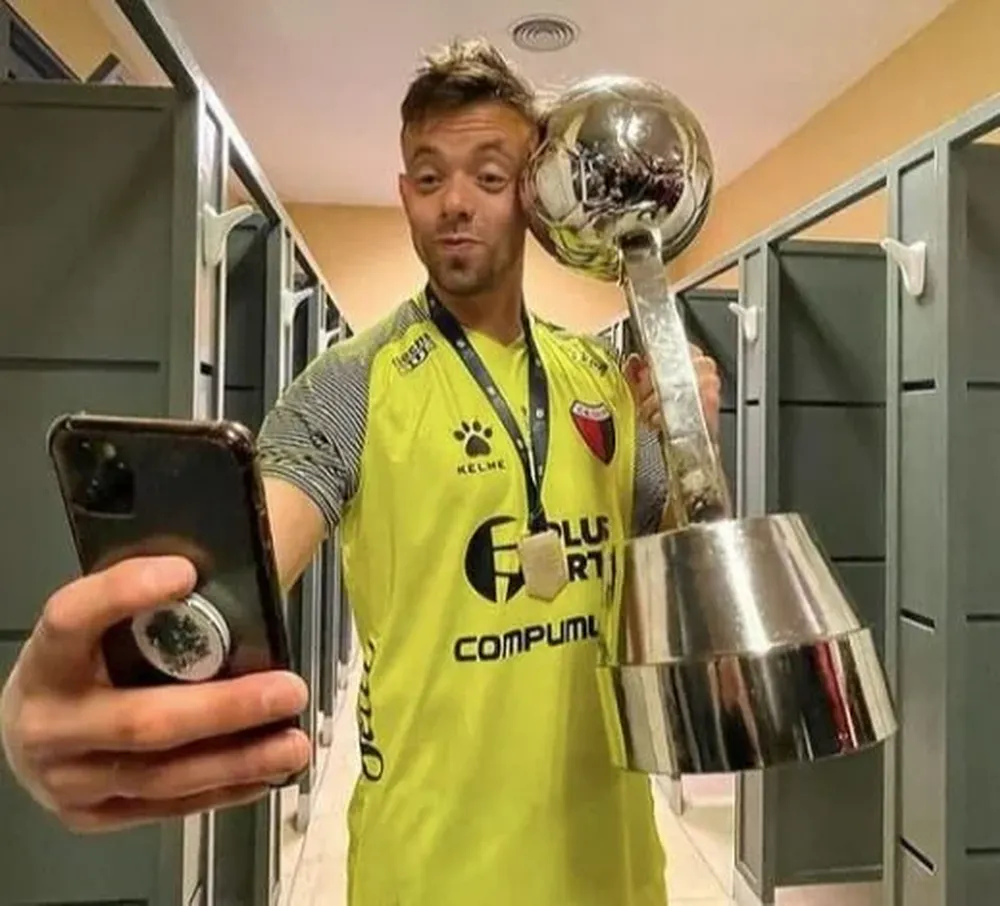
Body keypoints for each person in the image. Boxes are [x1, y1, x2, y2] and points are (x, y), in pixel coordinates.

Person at [1, 38, 722, 906]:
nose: (455, 203)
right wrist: (105, 685)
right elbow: (241, 569)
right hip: (426, 872)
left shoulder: (600, 379)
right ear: (404, 192)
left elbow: (679, 583)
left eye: (489, 178)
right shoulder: (351, 385)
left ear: (531, 199)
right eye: (428, 176)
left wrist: (691, 441)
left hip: (614, 868)